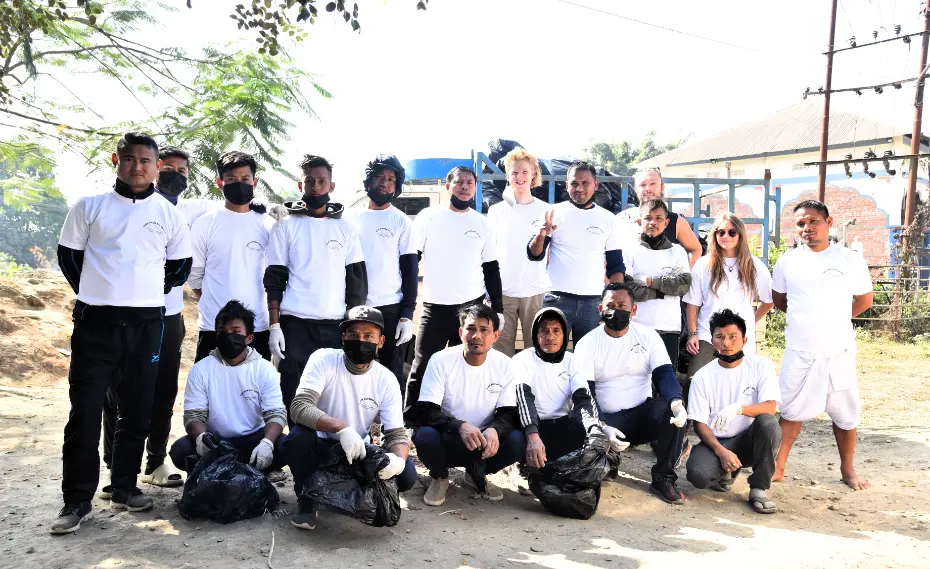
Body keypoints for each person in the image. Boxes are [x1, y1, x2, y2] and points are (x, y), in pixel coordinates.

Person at [53, 132, 192, 534]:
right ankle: (76, 501)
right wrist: (102, 292)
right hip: (96, 325)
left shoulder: (169, 215)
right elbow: (70, 258)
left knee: (137, 409)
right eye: (129, 159)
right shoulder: (90, 207)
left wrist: (140, 292)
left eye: (145, 161)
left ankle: (126, 486)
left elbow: (178, 268)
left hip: (147, 325)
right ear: (117, 160)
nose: (137, 167)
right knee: (84, 412)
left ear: (157, 167)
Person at [98, 146, 212, 497]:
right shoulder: (120, 208)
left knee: (163, 392)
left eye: (183, 171)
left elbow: (235, 213)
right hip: (123, 317)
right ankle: (115, 466)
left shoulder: (192, 210)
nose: (175, 175)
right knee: (116, 393)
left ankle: (155, 461)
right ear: (155, 169)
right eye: (169, 168)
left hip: (169, 317)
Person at [282, 306, 416, 531]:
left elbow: (396, 433)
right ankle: (306, 498)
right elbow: (299, 406)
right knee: (297, 438)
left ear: (381, 341)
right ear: (343, 337)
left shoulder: (386, 379)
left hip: (356, 452)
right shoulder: (323, 359)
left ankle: (346, 491)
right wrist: (341, 428)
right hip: (320, 445)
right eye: (353, 335)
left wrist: (399, 461)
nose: (360, 341)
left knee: (407, 476)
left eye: (368, 336)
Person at [771, 200, 873, 490]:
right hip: (800, 350)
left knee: (845, 414)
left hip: (838, 351)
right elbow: (780, 300)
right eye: (801, 223)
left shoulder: (849, 259)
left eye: (813, 221)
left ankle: (848, 470)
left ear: (829, 221)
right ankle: (778, 467)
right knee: (791, 411)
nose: (807, 228)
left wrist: (837, 318)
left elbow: (864, 300)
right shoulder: (788, 261)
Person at [264, 155, 367, 421]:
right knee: (293, 392)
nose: (316, 187)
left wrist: (353, 328)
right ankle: (297, 448)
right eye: (310, 181)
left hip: (334, 325)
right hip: (295, 323)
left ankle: (329, 449)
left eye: (322, 181)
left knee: (333, 392)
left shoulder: (346, 229)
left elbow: (356, 284)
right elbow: (274, 279)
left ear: (332, 186)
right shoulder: (284, 225)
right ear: (301, 185)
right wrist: (275, 326)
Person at [573, 283, 689, 505]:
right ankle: (609, 458)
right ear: (600, 309)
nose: (616, 310)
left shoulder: (648, 336)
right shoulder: (587, 344)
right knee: (578, 426)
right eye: (610, 305)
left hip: (642, 415)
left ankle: (664, 478)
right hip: (609, 419)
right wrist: (602, 426)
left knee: (671, 414)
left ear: (633, 310)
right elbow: (585, 394)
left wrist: (676, 401)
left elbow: (664, 375)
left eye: (622, 305)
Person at [406, 304, 526, 505]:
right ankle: (440, 477)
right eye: (471, 329)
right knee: (425, 436)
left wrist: (495, 430)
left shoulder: (505, 364)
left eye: (484, 330)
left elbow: (508, 412)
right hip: (449, 436)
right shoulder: (441, 360)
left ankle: (475, 474)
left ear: (495, 336)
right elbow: (426, 410)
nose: (476, 335)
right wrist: (460, 426)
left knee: (517, 440)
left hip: (484, 441)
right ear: (461, 332)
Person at [404, 166, 503, 407]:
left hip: (472, 310)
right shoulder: (428, 217)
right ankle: (410, 419)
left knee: (466, 368)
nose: (465, 186)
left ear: (475, 188)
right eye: (460, 182)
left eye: (470, 182)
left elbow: (491, 269)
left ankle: (459, 415)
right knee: (423, 365)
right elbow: (412, 260)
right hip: (435, 307)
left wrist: (498, 310)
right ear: (448, 186)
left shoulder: (482, 223)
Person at [169, 300, 287, 475]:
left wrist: (267, 443)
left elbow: (275, 414)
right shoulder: (201, 369)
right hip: (215, 442)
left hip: (253, 439)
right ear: (216, 335)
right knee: (181, 450)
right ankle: (224, 472)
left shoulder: (264, 369)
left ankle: (255, 468)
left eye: (236, 332)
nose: (229, 337)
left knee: (288, 446)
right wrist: (202, 438)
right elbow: (194, 415)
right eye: (223, 332)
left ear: (249, 338)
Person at [685, 309, 781, 514]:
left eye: (732, 337)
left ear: (745, 340)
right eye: (719, 337)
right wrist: (721, 452)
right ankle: (727, 469)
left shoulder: (761, 365)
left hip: (750, 438)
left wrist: (738, 409)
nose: (726, 343)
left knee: (769, 424)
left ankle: (758, 488)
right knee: (698, 476)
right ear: (712, 340)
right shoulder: (703, 376)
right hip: (718, 440)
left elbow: (770, 407)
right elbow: (699, 424)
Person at [512, 307, 628, 468]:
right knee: (515, 439)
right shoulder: (521, 360)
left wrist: (596, 427)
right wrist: (532, 435)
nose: (549, 336)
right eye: (544, 330)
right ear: (535, 334)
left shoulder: (573, 361)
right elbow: (524, 399)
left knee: (595, 435)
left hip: (561, 425)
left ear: (565, 334)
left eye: (556, 331)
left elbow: (583, 398)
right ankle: (523, 465)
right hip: (531, 428)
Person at [189, 151, 275, 362]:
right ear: (220, 182)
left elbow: (275, 275)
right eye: (231, 179)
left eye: (245, 179)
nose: (239, 183)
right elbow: (195, 276)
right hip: (213, 327)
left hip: (257, 327)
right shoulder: (205, 223)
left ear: (255, 181)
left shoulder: (268, 224)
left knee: (253, 392)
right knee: (209, 389)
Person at [528, 160, 626, 344]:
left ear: (595, 185)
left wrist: (617, 303)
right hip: (557, 300)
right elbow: (534, 254)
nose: (579, 188)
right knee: (551, 357)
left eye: (585, 183)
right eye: (574, 183)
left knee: (587, 360)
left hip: (593, 303)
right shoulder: (553, 213)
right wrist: (541, 235)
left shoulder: (608, 219)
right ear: (567, 185)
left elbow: (615, 265)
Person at [345, 155, 418, 389]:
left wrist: (407, 314)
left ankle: (392, 423)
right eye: (379, 177)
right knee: (352, 366)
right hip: (354, 307)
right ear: (368, 182)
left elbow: (410, 270)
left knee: (392, 369)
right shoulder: (349, 219)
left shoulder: (401, 221)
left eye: (391, 179)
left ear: (396, 186)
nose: (385, 183)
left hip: (391, 307)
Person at [684, 212, 773, 379]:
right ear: (715, 235)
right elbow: (692, 304)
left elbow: (769, 301)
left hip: (740, 336)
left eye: (732, 232)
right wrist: (692, 334)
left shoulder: (754, 266)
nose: (726, 236)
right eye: (721, 232)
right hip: (707, 335)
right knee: (696, 380)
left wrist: (750, 322)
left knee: (738, 383)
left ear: (740, 235)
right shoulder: (703, 265)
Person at [487, 148, 549, 357]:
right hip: (503, 294)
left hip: (535, 292)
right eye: (514, 172)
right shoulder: (495, 212)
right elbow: (488, 255)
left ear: (533, 174)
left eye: (524, 172)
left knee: (537, 351)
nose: (520, 177)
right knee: (501, 354)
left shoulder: (545, 210)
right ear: (507, 176)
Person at [624, 199, 692, 370]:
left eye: (658, 218)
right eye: (648, 218)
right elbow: (628, 291)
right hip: (636, 328)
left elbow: (683, 285)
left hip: (668, 328)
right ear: (640, 222)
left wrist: (649, 282)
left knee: (665, 381)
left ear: (666, 222)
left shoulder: (677, 251)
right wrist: (663, 291)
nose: (653, 223)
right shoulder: (629, 251)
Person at [617, 168, 702, 267]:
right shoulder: (622, 218)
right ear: (635, 189)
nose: (648, 189)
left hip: (664, 281)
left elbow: (696, 249)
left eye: (653, 184)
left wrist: (681, 274)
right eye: (643, 185)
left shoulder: (675, 221)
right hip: (630, 281)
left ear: (662, 188)